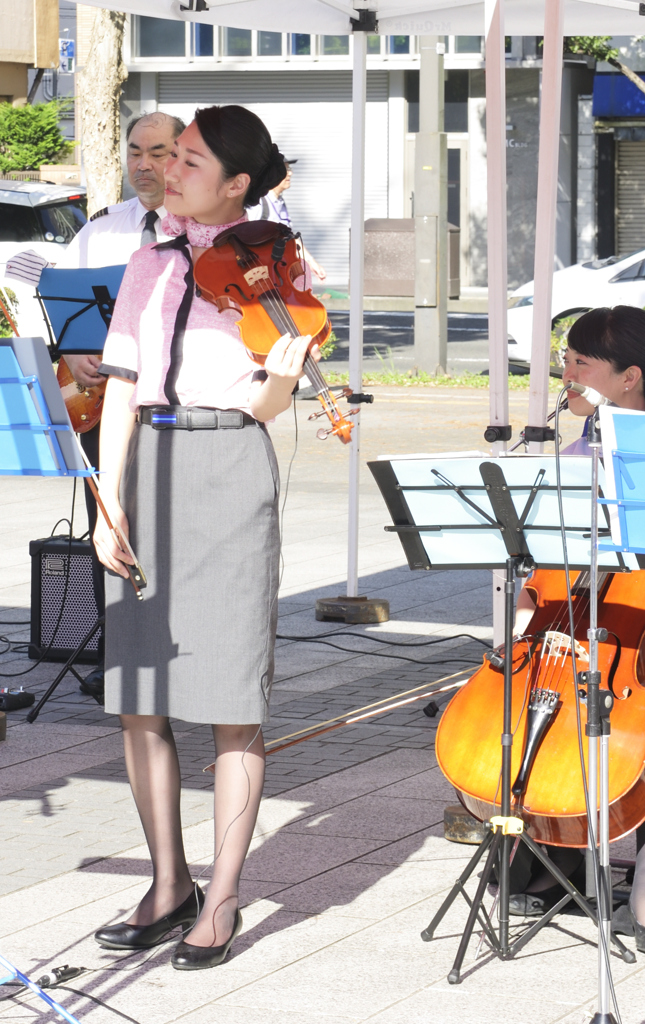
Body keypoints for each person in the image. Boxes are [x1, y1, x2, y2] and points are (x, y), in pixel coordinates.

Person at [91, 104, 316, 972]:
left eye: (191, 161)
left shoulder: (278, 271)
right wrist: (110, 500)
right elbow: (120, 384)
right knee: (138, 694)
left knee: (230, 703)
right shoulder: (149, 262)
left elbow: (262, 406)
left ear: (237, 185)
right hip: (148, 465)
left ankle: (220, 899)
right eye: (171, 155)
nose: (170, 169)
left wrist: (283, 386)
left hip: (229, 464)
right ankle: (166, 881)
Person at [512, 306, 645, 957]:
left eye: (582, 363)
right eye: (566, 360)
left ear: (629, 376)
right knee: (530, 696)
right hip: (579, 630)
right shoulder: (566, 450)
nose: (566, 374)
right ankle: (546, 865)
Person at [57, 112, 185, 701]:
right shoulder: (103, 229)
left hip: (174, 408)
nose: (143, 164)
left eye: (157, 152)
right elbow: (57, 304)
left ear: (181, 156)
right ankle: (115, 652)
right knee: (105, 524)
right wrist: (77, 349)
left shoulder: (202, 230)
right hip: (107, 404)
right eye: (135, 150)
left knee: (173, 530)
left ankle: (175, 649)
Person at [246, 158, 326, 282]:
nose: (290, 173)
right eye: (285, 169)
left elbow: (289, 238)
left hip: (276, 274)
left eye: (289, 168)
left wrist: (312, 263)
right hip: (259, 277)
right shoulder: (258, 203)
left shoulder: (280, 202)